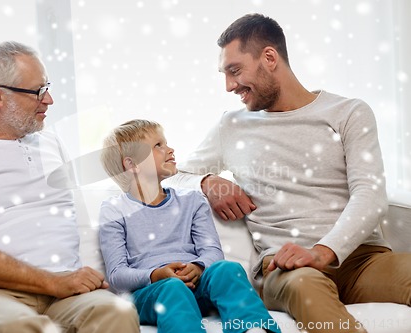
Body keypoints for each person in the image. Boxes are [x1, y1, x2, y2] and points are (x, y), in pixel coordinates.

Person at [166, 13, 411, 333]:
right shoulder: (232, 126)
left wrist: (322, 252)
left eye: (234, 70)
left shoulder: (349, 112)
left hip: (361, 261)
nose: (229, 86)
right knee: (306, 287)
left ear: (269, 57)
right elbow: (170, 176)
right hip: (285, 267)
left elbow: (370, 194)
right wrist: (207, 181)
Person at [0, 41, 139, 333]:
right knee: (17, 326)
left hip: (66, 290)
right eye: (37, 91)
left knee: (117, 312)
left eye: (46, 87)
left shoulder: (52, 143)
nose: (48, 100)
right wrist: (53, 281)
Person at [98, 119, 281, 333]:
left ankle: (254, 329)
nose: (170, 149)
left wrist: (198, 267)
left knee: (228, 269)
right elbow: (117, 275)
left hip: (197, 285)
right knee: (173, 288)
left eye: (166, 143)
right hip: (151, 294)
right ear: (132, 165)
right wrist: (155, 275)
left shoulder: (192, 200)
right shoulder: (114, 209)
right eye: (158, 146)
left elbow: (212, 251)